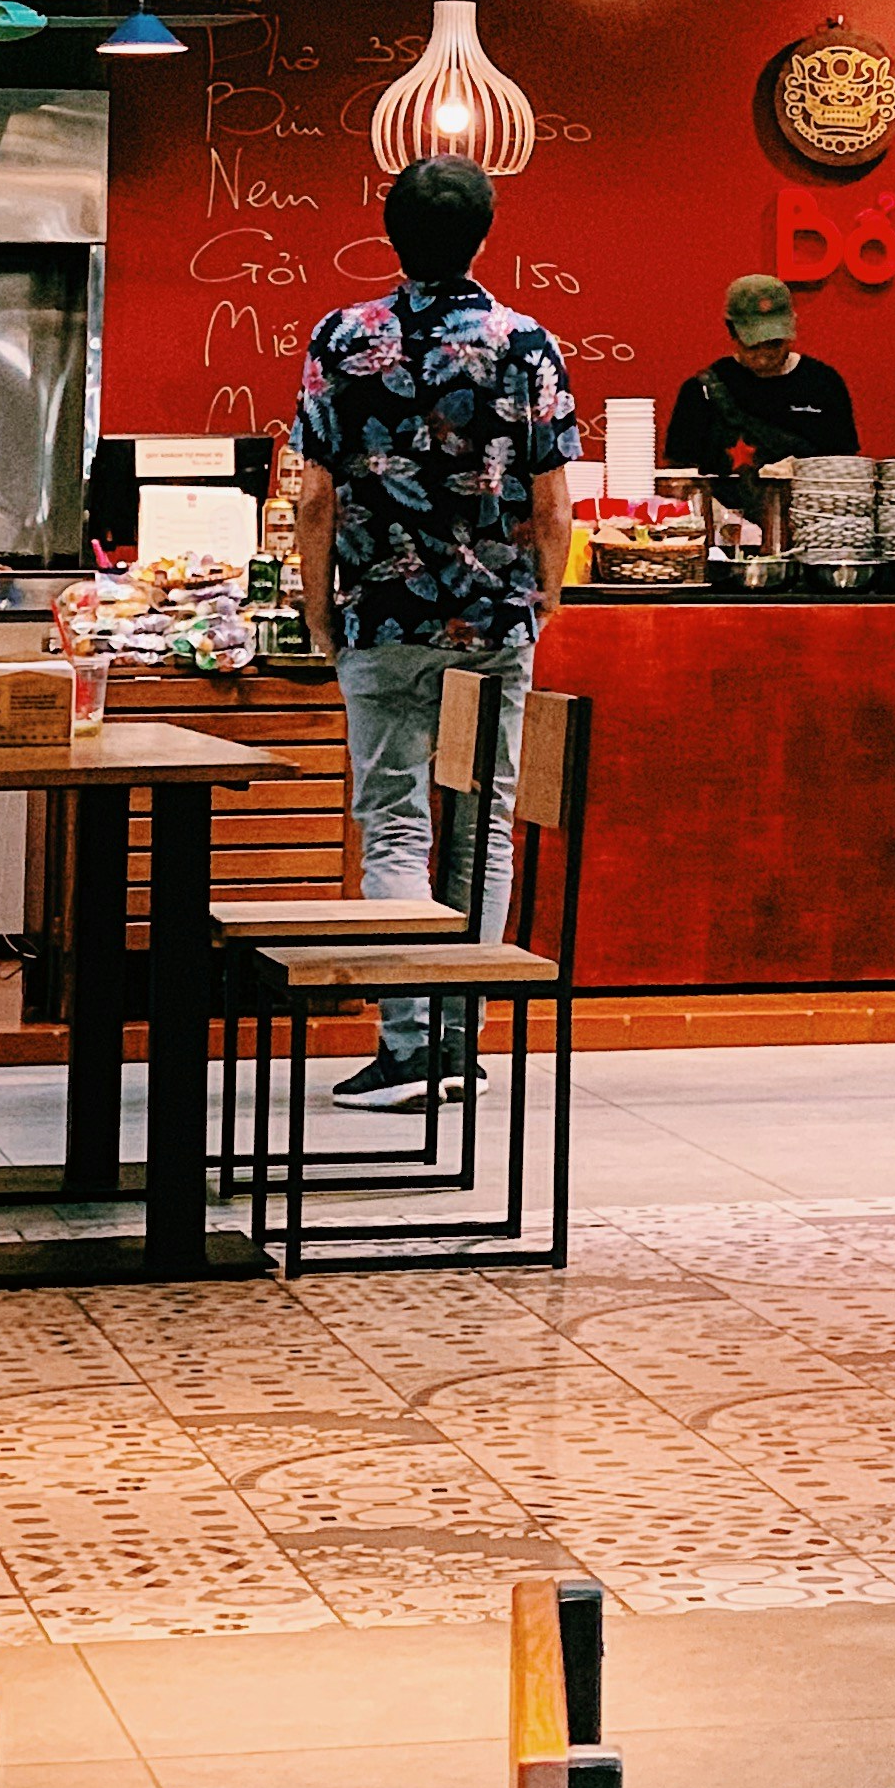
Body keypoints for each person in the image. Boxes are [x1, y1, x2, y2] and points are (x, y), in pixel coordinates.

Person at [291, 155, 580, 1111]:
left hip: (381, 619)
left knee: (394, 823)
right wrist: (545, 601)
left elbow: (316, 496)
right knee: (483, 824)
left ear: (389, 232)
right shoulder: (525, 342)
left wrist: (318, 607)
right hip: (494, 619)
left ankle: (408, 1044)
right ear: (485, 237)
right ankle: (462, 1040)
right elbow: (552, 500)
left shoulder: (342, 338)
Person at [662, 275, 859, 516]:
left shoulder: (823, 383)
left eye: (774, 343)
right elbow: (682, 478)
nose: (764, 356)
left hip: (813, 522)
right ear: (732, 332)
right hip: (726, 527)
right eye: (753, 345)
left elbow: (845, 470)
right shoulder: (700, 392)